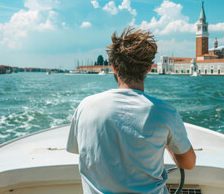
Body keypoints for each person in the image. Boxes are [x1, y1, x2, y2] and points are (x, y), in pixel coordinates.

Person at [66, 27, 195, 193]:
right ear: (149, 68)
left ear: (114, 67)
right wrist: (168, 145)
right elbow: (188, 163)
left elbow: (79, 150)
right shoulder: (165, 113)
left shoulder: (85, 106)